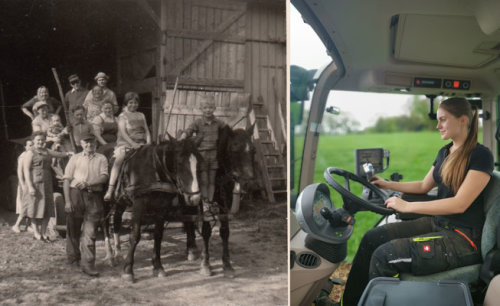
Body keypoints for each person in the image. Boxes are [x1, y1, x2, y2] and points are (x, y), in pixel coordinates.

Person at [341, 97, 494, 305]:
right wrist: (388, 184)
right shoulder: (444, 152)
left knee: (383, 256)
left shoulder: (481, 156)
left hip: (463, 239)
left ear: (463, 120)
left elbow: (460, 203)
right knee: (372, 237)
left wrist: (408, 206)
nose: (438, 125)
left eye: (443, 120)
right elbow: (424, 186)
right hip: (438, 224)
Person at [180, 95, 244, 218]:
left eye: (210, 107)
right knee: (204, 181)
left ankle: (210, 202)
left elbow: (227, 128)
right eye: (205, 108)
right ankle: (205, 206)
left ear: (214, 108)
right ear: (201, 109)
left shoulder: (217, 122)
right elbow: (189, 130)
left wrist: (236, 135)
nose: (208, 110)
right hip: (202, 155)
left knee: (212, 181)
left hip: (213, 155)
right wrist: (183, 136)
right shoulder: (198, 122)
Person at [63, 132, 108, 276]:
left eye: (92, 142)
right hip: (75, 195)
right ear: (81, 144)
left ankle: (88, 264)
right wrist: (68, 201)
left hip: (94, 196)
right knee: (73, 229)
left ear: (96, 143)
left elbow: (104, 177)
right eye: (86, 142)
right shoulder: (75, 159)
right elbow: (66, 180)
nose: (89, 145)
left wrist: (89, 183)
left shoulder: (101, 158)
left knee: (90, 231)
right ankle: (73, 258)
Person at [23, 131, 73, 241]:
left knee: (47, 208)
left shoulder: (47, 151)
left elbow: (58, 154)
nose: (40, 142)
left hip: (47, 184)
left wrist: (68, 154)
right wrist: (30, 186)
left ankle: (43, 232)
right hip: (35, 183)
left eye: (42, 140)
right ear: (33, 141)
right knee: (34, 208)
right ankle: (36, 232)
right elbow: (26, 170)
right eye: (38, 140)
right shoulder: (30, 153)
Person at [104, 92, 151, 201]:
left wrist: (148, 143)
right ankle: (110, 189)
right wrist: (132, 144)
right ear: (126, 103)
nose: (133, 105)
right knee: (119, 160)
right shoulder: (123, 116)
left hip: (141, 143)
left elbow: (147, 130)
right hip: (126, 143)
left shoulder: (141, 115)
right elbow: (123, 132)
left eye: (135, 102)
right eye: (130, 102)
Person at [12, 139, 34, 233]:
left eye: (32, 145)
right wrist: (22, 184)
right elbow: (20, 172)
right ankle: (16, 225)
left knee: (32, 204)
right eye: (29, 145)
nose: (31, 147)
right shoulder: (23, 156)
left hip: (32, 182)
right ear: (25, 147)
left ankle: (28, 225)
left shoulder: (33, 155)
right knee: (25, 204)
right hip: (24, 183)